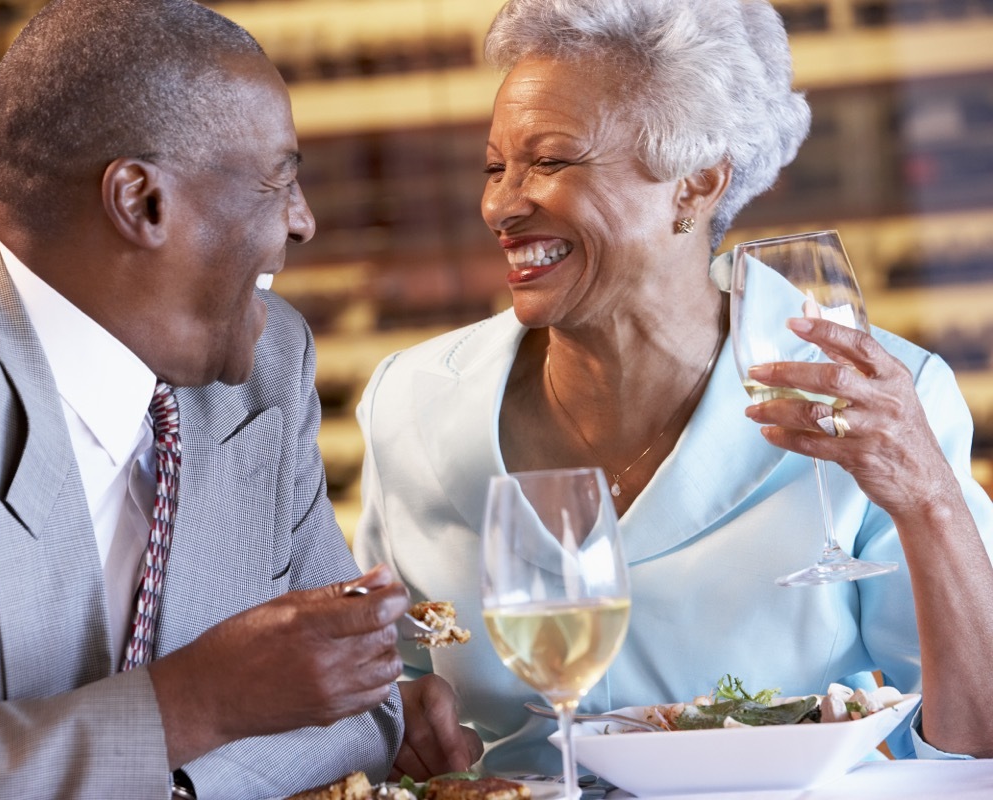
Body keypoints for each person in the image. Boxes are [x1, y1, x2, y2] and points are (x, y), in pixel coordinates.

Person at [0, 1, 478, 797]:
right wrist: (194, 707)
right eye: (279, 179)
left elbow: (364, 708)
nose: (304, 222)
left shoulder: (268, 365)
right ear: (141, 202)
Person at [353, 0, 993, 778]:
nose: (500, 205)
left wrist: (929, 500)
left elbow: (979, 739)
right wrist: (400, 721)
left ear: (696, 185)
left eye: (550, 162)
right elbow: (392, 684)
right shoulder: (409, 403)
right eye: (495, 167)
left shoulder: (871, 400)